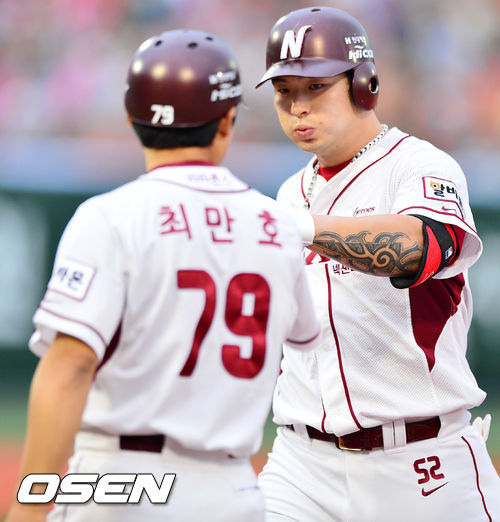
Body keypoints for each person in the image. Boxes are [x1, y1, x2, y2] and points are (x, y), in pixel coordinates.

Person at [6, 29, 320, 522]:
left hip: (122, 482)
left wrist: (29, 506)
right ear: (227, 120)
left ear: (132, 117)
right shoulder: (277, 224)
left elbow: (69, 367)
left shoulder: (109, 216)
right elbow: (305, 338)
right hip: (231, 489)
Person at [255, 6, 500, 522]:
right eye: (284, 91)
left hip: (419, 461)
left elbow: (422, 246)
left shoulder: (419, 166)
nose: (298, 107)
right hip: (300, 464)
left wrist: (305, 228)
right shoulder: (289, 192)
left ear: (364, 85)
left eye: (315, 87)